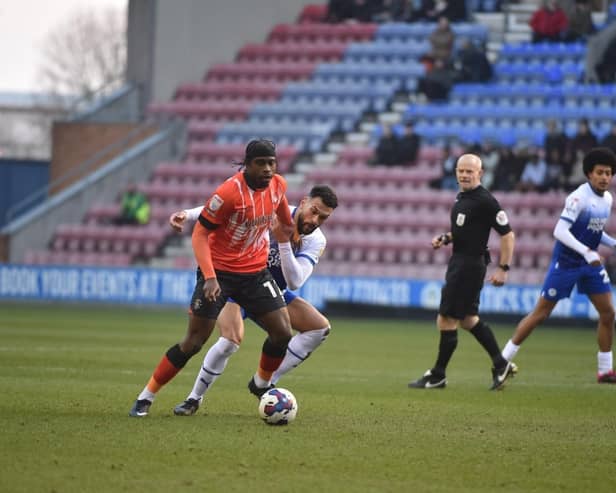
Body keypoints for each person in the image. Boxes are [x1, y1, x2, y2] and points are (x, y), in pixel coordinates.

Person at [128, 139, 295, 417]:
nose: (267, 169)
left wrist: (292, 230)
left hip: (255, 273)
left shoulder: (278, 185)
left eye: (271, 163)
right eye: (261, 163)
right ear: (247, 164)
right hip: (220, 274)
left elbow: (283, 216)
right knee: (194, 342)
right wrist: (210, 277)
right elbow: (200, 233)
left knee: (282, 333)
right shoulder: (229, 193)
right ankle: (146, 396)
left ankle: (262, 385)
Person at [170, 185, 339, 416]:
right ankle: (193, 398)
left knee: (319, 328)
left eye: (323, 217)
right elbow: (226, 209)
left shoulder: (316, 240)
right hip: (237, 287)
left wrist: (283, 242)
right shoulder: (272, 213)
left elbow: (294, 281)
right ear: (303, 203)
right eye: (314, 211)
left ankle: (263, 382)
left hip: (269, 295)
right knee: (230, 340)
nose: (315, 219)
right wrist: (188, 214)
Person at [501, 148, 616, 384]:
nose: (605, 177)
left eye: (609, 173)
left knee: (608, 313)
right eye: (600, 173)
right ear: (588, 174)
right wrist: (586, 252)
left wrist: (612, 243)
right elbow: (559, 231)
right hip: (567, 263)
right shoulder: (578, 198)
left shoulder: (607, 199)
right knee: (540, 314)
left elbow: (595, 230)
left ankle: (605, 371)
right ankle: (502, 361)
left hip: (590, 263)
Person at [408, 153, 516, 390]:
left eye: (470, 171)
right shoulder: (463, 197)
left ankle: (438, 375)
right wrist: (446, 238)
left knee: (446, 319)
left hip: (468, 266)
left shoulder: (486, 201)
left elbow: (508, 235)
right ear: (456, 172)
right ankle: (500, 364)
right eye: (461, 171)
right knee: (467, 320)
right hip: (462, 261)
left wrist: (503, 268)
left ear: (480, 173)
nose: (465, 175)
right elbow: (468, 230)